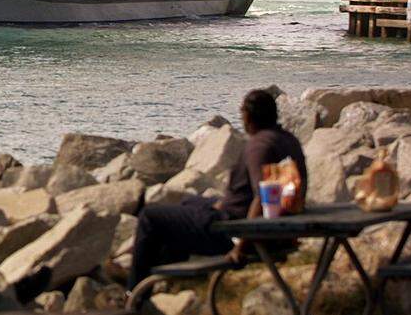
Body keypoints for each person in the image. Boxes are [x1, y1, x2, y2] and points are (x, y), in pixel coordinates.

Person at [128, 89, 307, 290]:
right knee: (188, 202)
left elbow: (262, 197)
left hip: (231, 229)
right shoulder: (288, 140)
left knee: (150, 217)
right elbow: (290, 189)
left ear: (248, 117)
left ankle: (135, 293)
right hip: (255, 222)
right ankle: (170, 279)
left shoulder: (259, 146)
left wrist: (241, 247)